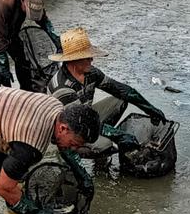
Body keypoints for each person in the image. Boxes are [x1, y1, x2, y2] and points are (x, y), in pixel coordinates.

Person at [46, 27, 166, 159]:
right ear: (73, 60)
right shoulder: (63, 89)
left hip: (85, 117)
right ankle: (76, 155)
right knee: (105, 145)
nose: (91, 60)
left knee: (119, 100)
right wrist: (118, 135)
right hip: (69, 132)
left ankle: (101, 141)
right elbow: (77, 125)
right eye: (87, 57)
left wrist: (149, 108)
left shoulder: (91, 73)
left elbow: (120, 89)